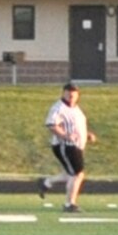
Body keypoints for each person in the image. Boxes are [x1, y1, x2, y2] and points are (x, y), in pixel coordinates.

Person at [39, 80, 97, 212]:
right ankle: (69, 204)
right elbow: (52, 125)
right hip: (66, 145)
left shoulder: (75, 107)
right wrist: (65, 136)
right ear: (64, 93)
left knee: (70, 173)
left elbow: (75, 125)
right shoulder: (58, 108)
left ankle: (47, 182)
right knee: (77, 174)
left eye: (74, 94)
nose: (71, 96)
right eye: (69, 94)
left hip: (75, 145)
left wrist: (86, 134)